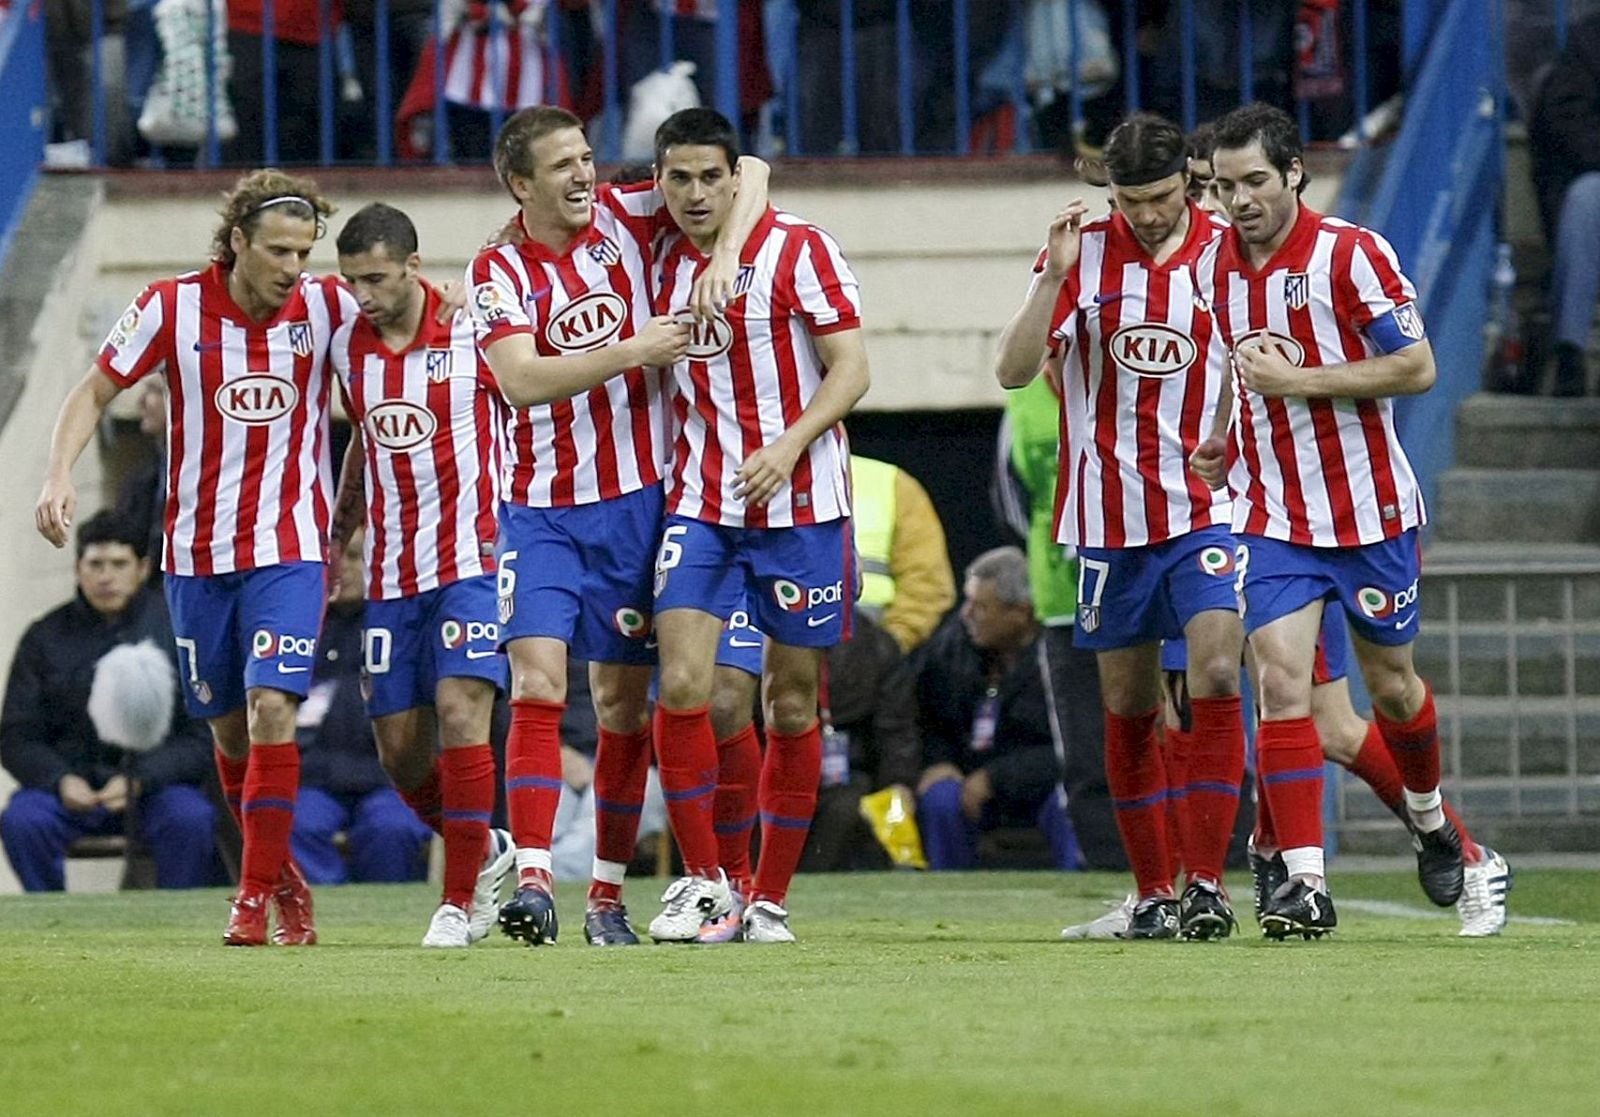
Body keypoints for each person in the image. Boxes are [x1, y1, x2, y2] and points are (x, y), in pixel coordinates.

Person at [466, 104, 770, 948]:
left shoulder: (628, 215)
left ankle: (606, 894)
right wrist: (634, 350)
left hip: (641, 503)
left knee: (622, 704)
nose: (583, 174)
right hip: (541, 509)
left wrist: (730, 254)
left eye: (586, 157)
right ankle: (535, 881)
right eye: (561, 164)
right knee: (536, 681)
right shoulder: (497, 269)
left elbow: (753, 173)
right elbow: (521, 379)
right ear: (519, 183)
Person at [36, 169, 357, 946]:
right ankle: (284, 878)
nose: (293, 268)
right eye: (278, 251)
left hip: (291, 548)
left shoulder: (327, 306)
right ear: (238, 239)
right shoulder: (170, 307)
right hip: (195, 556)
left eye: (304, 252)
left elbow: (403, 327)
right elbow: (94, 390)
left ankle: (252, 896)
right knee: (231, 735)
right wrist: (57, 474)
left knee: (272, 707)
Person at [1190, 101, 1462, 940]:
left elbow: (1416, 366)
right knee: (1280, 682)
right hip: (1272, 512)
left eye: (1255, 181)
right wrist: (1222, 435)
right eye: (1225, 186)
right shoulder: (1213, 268)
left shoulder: (1351, 254)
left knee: (1393, 687)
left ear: (1294, 173)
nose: (1239, 200)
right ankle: (1303, 882)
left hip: (1368, 510)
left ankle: (1429, 817)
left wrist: (1300, 384)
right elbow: (1238, 367)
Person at [992, 111, 1246, 941]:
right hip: (1108, 517)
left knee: (1216, 673)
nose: (1148, 214)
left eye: (1162, 197)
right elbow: (1013, 370)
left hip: (1207, 509)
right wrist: (1050, 280)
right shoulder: (1083, 253)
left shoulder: (1227, 251)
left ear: (1188, 184)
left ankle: (1208, 883)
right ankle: (1152, 893)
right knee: (1128, 706)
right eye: (1131, 200)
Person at [648, 106, 871, 944]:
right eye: (679, 178)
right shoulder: (652, 252)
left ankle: (769, 897)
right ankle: (706, 881)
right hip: (703, 502)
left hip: (802, 503)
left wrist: (789, 443)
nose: (695, 194)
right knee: (686, 686)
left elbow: (853, 369)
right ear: (659, 180)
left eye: (712, 176)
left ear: (734, 176)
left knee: (791, 700)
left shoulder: (800, 248)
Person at [326, 202, 519, 947]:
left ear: (413, 266)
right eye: (352, 281)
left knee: (462, 712)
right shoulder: (349, 346)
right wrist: (340, 534)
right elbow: (363, 440)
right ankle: (484, 845)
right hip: (391, 572)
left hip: (473, 561)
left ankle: (457, 901)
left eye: (376, 278)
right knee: (400, 751)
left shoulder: (475, 329)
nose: (363, 295)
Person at [1, 511, 216, 892]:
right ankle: (51, 916)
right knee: (24, 820)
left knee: (191, 818)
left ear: (142, 568)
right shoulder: (44, 637)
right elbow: (17, 735)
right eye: (95, 564)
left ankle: (179, 914)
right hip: (68, 792)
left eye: (118, 564)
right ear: (77, 569)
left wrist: (141, 778)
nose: (106, 577)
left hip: (156, 791)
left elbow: (201, 737)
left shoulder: (177, 632)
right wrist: (59, 779)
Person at [914, 547, 1075, 872]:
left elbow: (1073, 748)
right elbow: (929, 719)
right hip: (968, 783)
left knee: (1070, 803)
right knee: (940, 797)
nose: (966, 614)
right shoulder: (951, 650)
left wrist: (995, 778)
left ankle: (1080, 887)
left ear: (1022, 613)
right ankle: (946, 891)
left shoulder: (1064, 661)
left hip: (1041, 785)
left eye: (981, 607)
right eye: (968, 602)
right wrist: (939, 761)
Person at [290, 534, 436, 888]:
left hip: (390, 778)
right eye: (334, 558)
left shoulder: (405, 624)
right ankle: (324, 909)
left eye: (355, 557)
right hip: (316, 778)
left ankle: (390, 914)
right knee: (291, 822)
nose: (342, 568)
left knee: (391, 829)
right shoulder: (302, 625)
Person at [1528, 14, 1600, 397]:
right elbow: (1567, 118)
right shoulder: (1589, 40)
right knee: (1585, 199)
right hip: (1594, 173)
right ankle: (1569, 351)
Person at [849, 455, 957, 654]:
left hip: (867, 660)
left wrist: (887, 648)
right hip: (792, 655)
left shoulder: (889, 484)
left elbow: (927, 584)